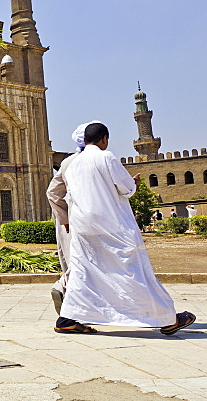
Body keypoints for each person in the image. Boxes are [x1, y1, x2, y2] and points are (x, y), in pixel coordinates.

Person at [52, 122, 195, 336]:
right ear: (104, 139)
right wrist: (132, 183)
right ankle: (167, 319)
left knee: (84, 273)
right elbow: (127, 189)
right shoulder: (106, 157)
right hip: (111, 225)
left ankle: (67, 319)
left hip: (82, 227)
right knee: (132, 270)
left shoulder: (71, 164)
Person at [46, 120, 100, 314]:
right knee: (87, 261)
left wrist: (63, 219)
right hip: (84, 220)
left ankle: (63, 290)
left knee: (74, 259)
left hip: (69, 221)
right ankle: (71, 311)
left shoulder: (68, 162)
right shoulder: (98, 160)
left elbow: (52, 192)